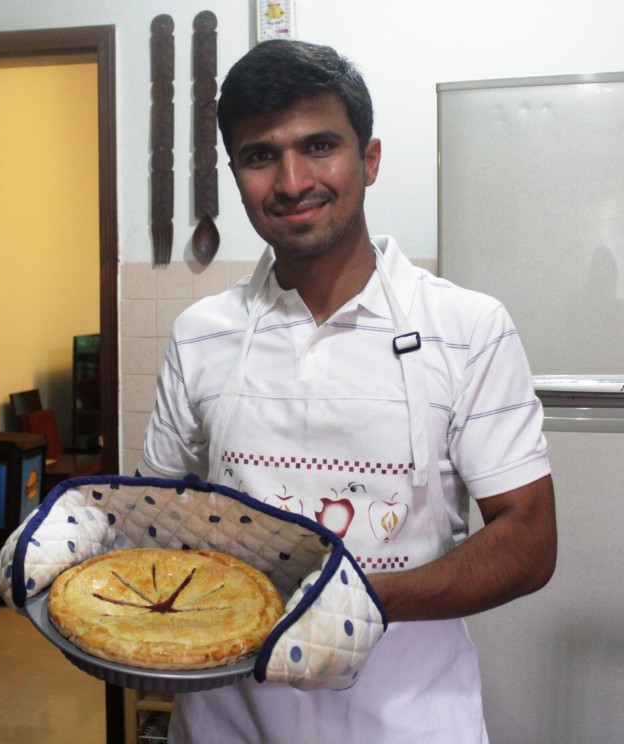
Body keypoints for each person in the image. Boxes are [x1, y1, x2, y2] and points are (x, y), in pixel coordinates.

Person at [138, 39, 557, 744]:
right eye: (260, 155)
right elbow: (152, 522)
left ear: (369, 158)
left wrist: (363, 598)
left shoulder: (466, 327)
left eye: (320, 145)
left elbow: (529, 538)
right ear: (237, 174)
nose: (293, 179)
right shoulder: (201, 335)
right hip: (226, 723)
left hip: (410, 723)